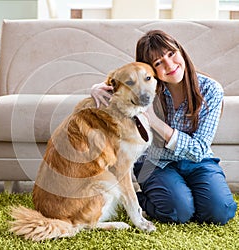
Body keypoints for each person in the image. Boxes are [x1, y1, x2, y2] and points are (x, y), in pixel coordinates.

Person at [91, 30, 237, 225]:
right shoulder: (147, 88)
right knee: (179, 212)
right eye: (158, 63)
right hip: (155, 162)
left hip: (199, 161)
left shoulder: (211, 89)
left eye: (171, 53)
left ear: (181, 52)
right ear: (150, 70)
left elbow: (199, 149)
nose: (169, 64)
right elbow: (121, 81)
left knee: (220, 212)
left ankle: (181, 194)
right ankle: (143, 201)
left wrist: (154, 121)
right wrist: (95, 88)